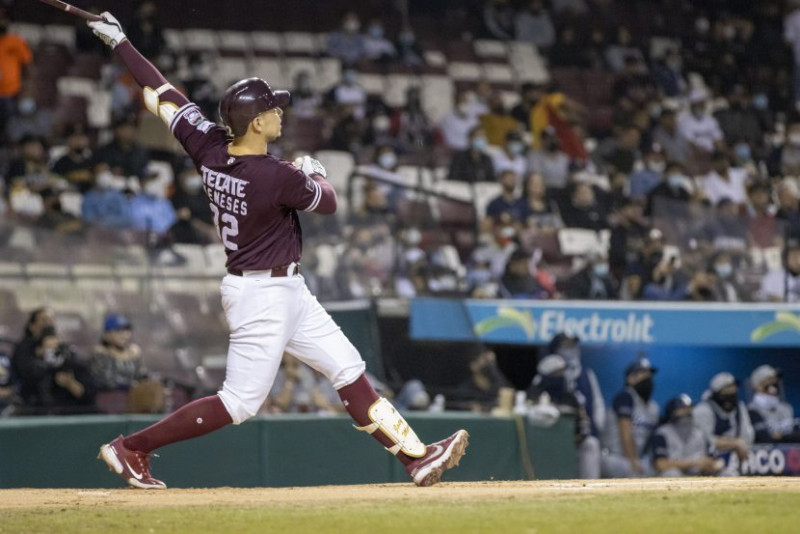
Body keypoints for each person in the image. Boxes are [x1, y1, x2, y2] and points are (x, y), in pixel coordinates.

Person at [88, 12, 468, 489]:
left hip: (283, 287)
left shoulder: (208, 145)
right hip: (261, 295)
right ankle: (132, 448)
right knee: (240, 402)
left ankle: (416, 457)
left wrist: (121, 44)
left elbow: (162, 95)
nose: (279, 113)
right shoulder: (275, 175)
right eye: (272, 109)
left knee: (347, 367)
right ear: (255, 121)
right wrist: (313, 171)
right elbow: (327, 202)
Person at [528, 354, 601, 479]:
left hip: (572, 443)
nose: (561, 375)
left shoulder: (572, 396)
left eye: (562, 371)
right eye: (557, 372)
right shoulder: (535, 393)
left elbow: (584, 425)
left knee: (591, 444)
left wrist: (578, 437)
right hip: (542, 445)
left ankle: (590, 485)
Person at [15, 326, 96, 415]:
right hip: (42, 414)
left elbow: (89, 396)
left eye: (56, 348)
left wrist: (70, 384)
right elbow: (27, 395)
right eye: (49, 348)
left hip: (74, 413)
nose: (53, 352)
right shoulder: (34, 369)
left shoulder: (75, 367)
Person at [601, 357, 659, 478]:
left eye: (649, 374)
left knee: (654, 473)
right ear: (630, 378)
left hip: (634, 458)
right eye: (642, 374)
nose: (647, 378)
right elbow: (625, 431)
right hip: (613, 456)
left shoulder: (653, 407)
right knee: (633, 472)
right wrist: (633, 461)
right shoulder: (625, 396)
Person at [693, 372, 754, 476]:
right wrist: (734, 443)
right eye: (727, 388)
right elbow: (703, 440)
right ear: (717, 392)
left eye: (733, 387)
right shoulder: (703, 409)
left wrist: (739, 444)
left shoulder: (740, 408)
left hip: (735, 456)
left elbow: (747, 436)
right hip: (709, 458)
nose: (732, 391)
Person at [548, 333, 605, 440]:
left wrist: (597, 426)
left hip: (586, 434)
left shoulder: (587, 374)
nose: (572, 349)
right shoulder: (547, 375)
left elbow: (598, 403)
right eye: (566, 346)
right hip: (556, 434)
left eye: (573, 345)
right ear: (556, 350)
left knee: (591, 445)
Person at [651, 394, 722, 477]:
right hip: (673, 479)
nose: (687, 411)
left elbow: (714, 461)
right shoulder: (662, 433)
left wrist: (709, 466)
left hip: (697, 476)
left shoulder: (699, 433)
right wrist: (693, 462)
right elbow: (660, 464)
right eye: (682, 409)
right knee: (672, 473)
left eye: (689, 408)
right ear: (672, 412)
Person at [90, 314, 148, 391]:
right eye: (118, 331)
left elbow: (141, 374)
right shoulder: (100, 354)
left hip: (134, 398)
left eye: (127, 331)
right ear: (107, 334)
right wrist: (129, 385)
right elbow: (106, 380)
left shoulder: (134, 353)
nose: (124, 335)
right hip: (108, 398)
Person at [0, 7, 33, 137]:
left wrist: (26, 90)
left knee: (10, 129)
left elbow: (29, 67)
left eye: (2, 18)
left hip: (11, 94)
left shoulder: (16, 41)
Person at [747, 365, 800, 443]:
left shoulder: (786, 408)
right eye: (769, 380)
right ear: (757, 386)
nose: (774, 382)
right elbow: (763, 437)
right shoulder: (751, 410)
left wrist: (781, 436)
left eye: (775, 379)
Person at [53, 124, 95, 193]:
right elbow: (56, 183)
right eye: (75, 137)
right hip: (69, 197)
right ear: (68, 141)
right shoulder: (60, 163)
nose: (79, 141)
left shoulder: (93, 161)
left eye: (81, 137)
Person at [759, 238, 800, 302]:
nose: (797, 260)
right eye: (793, 257)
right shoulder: (773, 276)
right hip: (779, 311)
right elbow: (772, 298)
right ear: (785, 259)